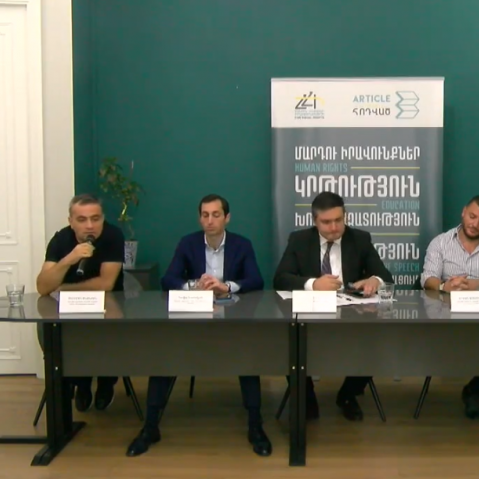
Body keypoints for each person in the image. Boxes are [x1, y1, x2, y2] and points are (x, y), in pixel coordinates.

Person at [126, 194, 270, 457]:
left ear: (227, 218)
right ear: (199, 218)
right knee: (163, 355)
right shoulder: (188, 243)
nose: (210, 220)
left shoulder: (241, 244)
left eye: (216, 215)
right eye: (205, 215)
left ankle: (255, 425)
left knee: (248, 356)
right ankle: (150, 427)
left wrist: (226, 286)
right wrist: (194, 286)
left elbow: (256, 280)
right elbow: (168, 280)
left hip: (232, 320)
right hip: (193, 318)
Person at [273, 191, 394, 421]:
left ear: (345, 216)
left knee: (376, 341)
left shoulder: (360, 239)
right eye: (326, 222)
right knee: (290, 342)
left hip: (352, 316)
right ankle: (306, 398)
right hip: (310, 316)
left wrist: (374, 280)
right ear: (315, 221)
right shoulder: (299, 240)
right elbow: (280, 278)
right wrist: (313, 284)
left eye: (339, 220)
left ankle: (348, 395)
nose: (334, 227)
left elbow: (385, 276)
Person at [419, 194, 479, 419]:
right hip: (445, 319)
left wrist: (477, 284)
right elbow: (427, 278)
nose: (475, 224)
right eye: (472, 216)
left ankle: (474, 392)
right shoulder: (441, 242)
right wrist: (445, 286)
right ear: (464, 212)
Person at [35, 194, 125, 412]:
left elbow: (106, 283)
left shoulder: (112, 236)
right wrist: (69, 259)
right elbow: (43, 286)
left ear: (103, 219)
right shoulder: (61, 240)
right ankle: (80, 383)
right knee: (61, 335)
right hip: (70, 309)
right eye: (82, 220)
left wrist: (63, 288)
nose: (90, 226)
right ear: (71, 222)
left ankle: (106, 383)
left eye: (96, 219)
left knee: (108, 334)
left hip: (108, 305)